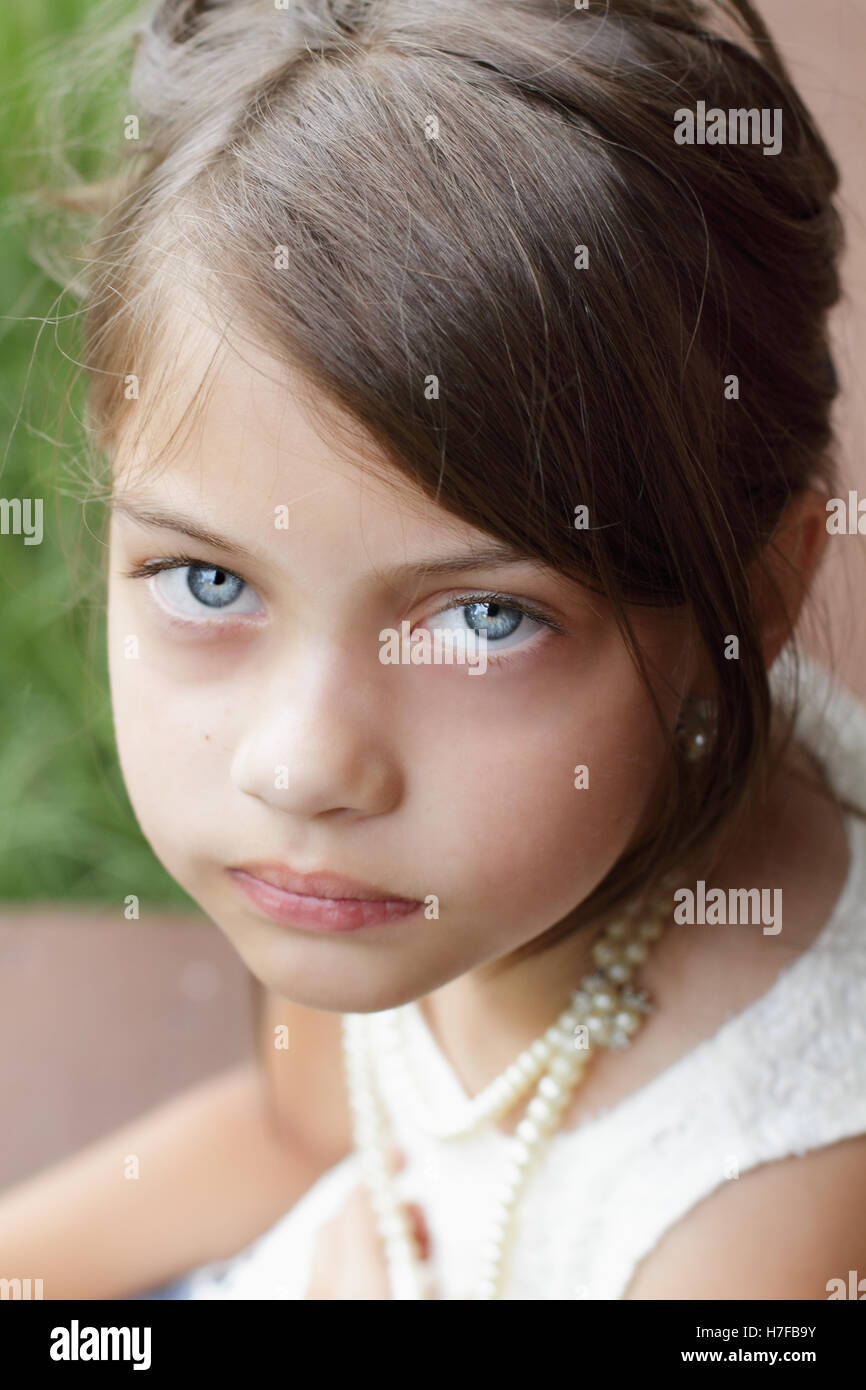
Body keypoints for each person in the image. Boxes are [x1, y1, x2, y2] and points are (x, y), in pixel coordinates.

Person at [3, 0, 865, 1299]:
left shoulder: (773, 1201)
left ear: (752, 603)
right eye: (206, 577)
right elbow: (301, 1127)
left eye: (484, 618)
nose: (299, 765)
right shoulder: (364, 870)